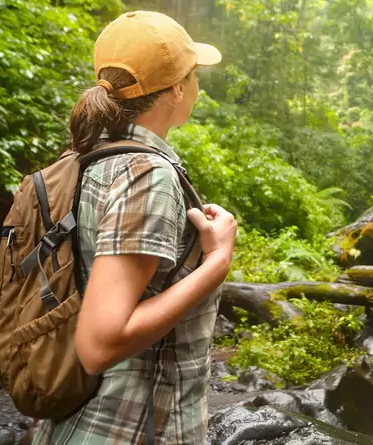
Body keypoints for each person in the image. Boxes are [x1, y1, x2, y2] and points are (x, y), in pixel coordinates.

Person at [30, 10, 237, 445]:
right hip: (130, 427)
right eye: (193, 74)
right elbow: (100, 344)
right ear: (178, 88)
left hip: (79, 418)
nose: (196, 86)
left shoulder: (90, 160)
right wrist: (216, 263)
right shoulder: (146, 176)